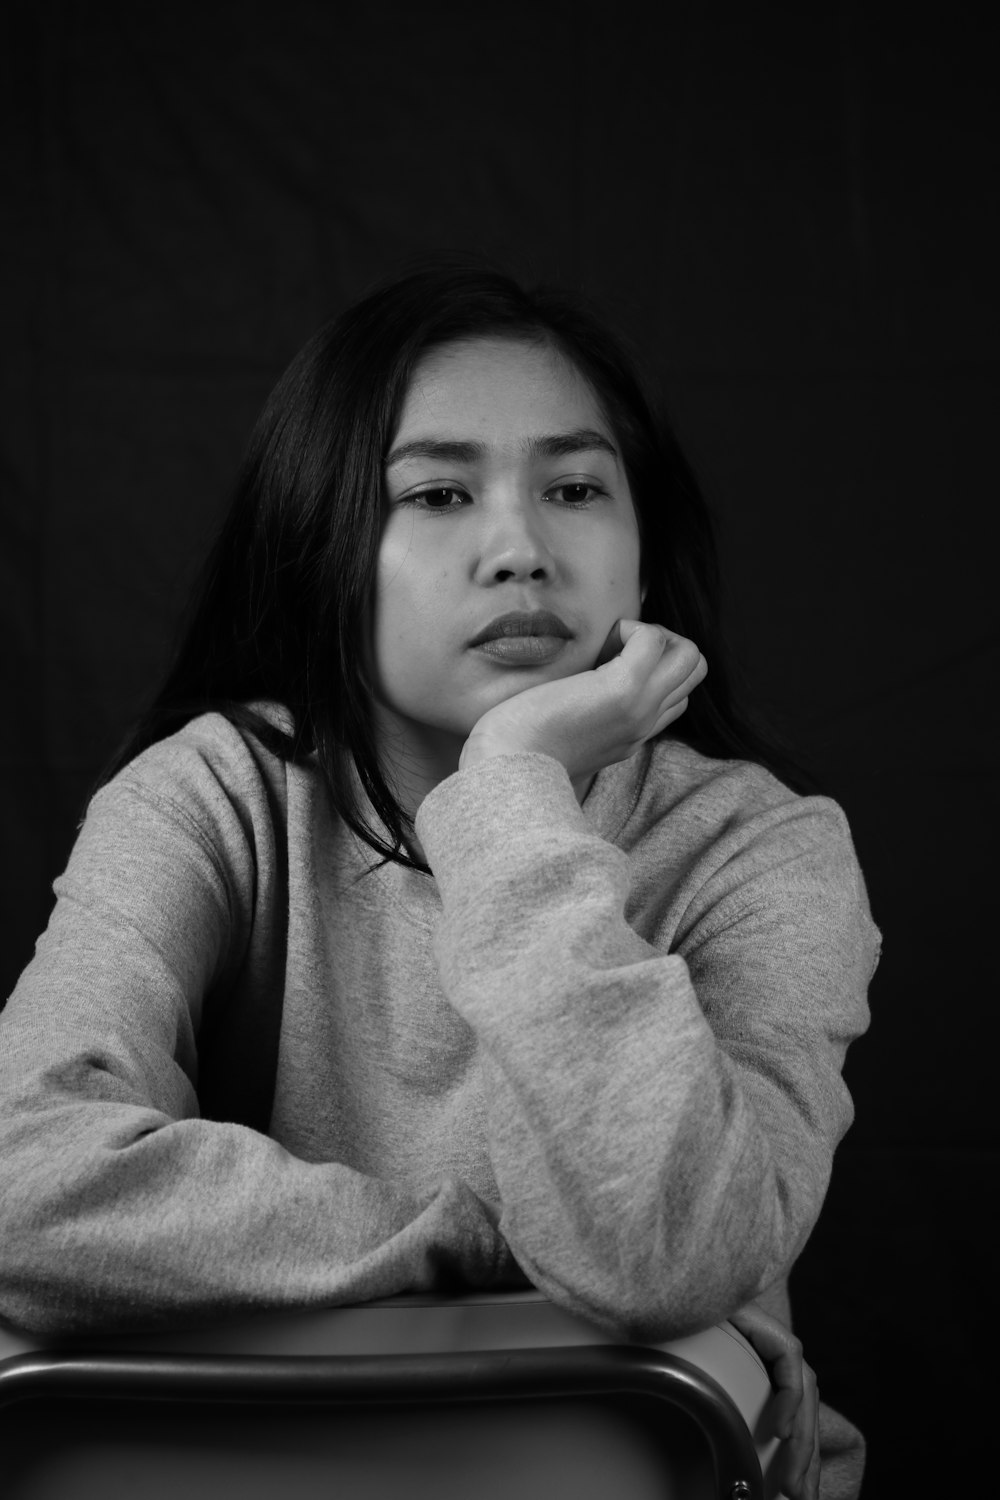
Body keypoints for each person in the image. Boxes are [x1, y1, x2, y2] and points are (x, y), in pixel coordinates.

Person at [0, 259, 879, 1499]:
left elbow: (662, 1251)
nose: (519, 547)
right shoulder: (210, 795)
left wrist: (511, 788)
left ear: (642, 554)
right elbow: (19, 1179)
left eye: (574, 487)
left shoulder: (762, 847)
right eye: (438, 493)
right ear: (322, 547)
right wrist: (491, 1242)